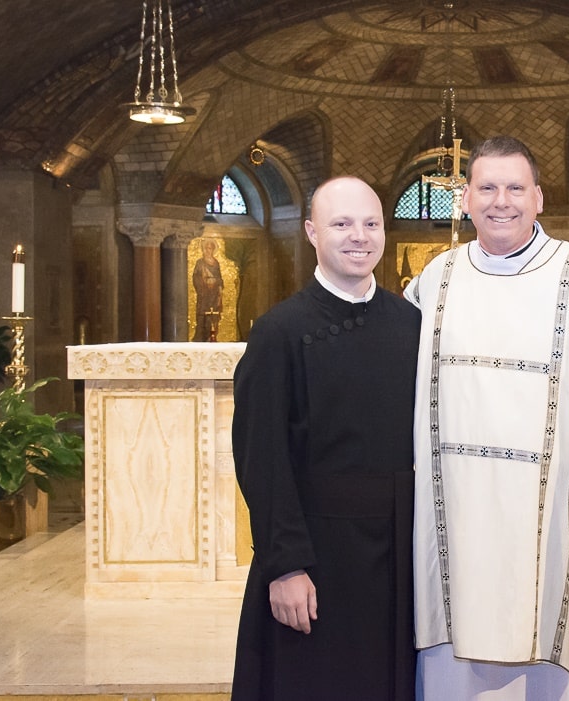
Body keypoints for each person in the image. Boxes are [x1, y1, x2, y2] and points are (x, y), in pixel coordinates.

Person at [405, 136, 569, 700]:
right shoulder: (435, 281)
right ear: (466, 200)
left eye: (515, 188)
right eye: (487, 188)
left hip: (566, 538)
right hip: (460, 527)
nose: (502, 201)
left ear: (539, 198)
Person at [231, 176, 421, 701]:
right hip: (315, 557)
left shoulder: (410, 324)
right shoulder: (280, 332)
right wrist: (285, 564)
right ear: (313, 232)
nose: (358, 237)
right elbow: (261, 458)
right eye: (341, 224)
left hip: (395, 558)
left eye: (370, 224)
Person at [193, 238, 225, 341]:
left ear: (213, 250)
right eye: (206, 248)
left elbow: (219, 278)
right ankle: (200, 337)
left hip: (214, 294)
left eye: (210, 248)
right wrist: (203, 284)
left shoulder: (216, 263)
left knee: (214, 314)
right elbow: (195, 277)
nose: (208, 250)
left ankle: (212, 335)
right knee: (202, 314)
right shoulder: (200, 263)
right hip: (203, 293)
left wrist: (217, 285)